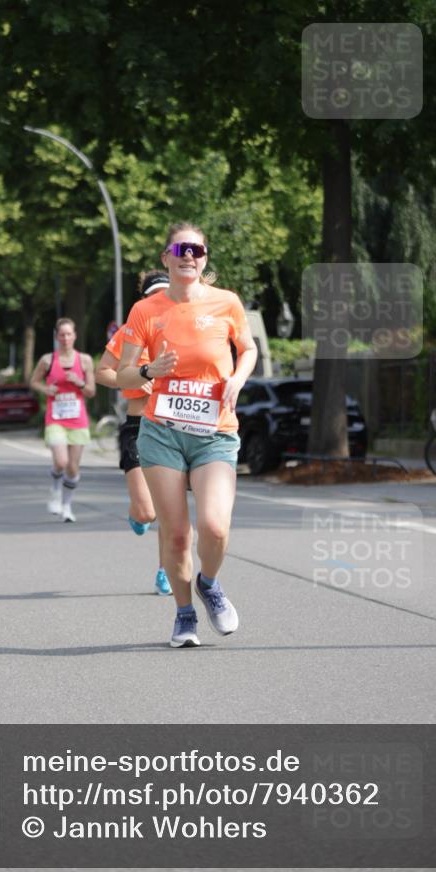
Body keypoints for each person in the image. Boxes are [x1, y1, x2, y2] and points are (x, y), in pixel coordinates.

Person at [117, 223, 257, 648]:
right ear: (166, 257)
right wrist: (147, 371)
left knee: (214, 527)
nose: (189, 255)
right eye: (181, 248)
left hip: (215, 432)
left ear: (205, 257)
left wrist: (237, 378)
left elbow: (248, 348)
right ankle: (183, 615)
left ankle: (209, 583)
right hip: (161, 434)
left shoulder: (227, 303)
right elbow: (121, 371)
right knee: (177, 534)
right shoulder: (146, 311)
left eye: (197, 249)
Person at [95, 270, 173, 597]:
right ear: (145, 300)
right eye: (153, 298)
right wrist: (130, 378)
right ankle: (135, 511)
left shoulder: (187, 329)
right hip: (138, 426)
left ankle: (166, 569)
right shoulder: (130, 331)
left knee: (171, 510)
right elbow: (102, 372)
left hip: (172, 427)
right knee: (147, 511)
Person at [30, 317, 96, 523]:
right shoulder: (48, 360)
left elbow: (91, 391)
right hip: (55, 419)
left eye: (69, 334)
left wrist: (79, 382)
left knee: (73, 468)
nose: (65, 338)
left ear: (74, 336)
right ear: (57, 337)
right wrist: (45, 389)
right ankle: (55, 490)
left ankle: (67, 505)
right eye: (62, 335)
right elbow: (34, 381)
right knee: (61, 461)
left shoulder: (84, 360)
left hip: (78, 420)